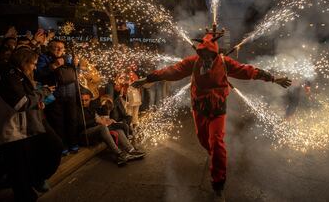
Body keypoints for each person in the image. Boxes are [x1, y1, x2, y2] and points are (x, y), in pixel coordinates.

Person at [132, 32, 291, 200]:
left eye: (210, 55)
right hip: (199, 108)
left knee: (216, 143)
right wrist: (147, 78)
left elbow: (247, 71)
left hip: (217, 109)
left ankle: (218, 184)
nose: (207, 58)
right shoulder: (193, 62)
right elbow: (172, 71)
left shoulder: (224, 62)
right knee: (203, 140)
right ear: (199, 53)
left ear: (215, 54)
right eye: (203, 54)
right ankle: (215, 157)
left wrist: (272, 79)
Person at [0, 48, 63, 202]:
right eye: (33, 64)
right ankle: (26, 193)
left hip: (26, 124)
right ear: (24, 62)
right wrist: (43, 93)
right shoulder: (10, 76)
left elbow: (27, 98)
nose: (35, 67)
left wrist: (37, 100)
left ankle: (35, 181)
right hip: (11, 129)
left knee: (52, 147)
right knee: (18, 167)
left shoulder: (19, 73)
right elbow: (21, 103)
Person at [35, 40, 80, 156]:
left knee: (72, 120)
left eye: (61, 47)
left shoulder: (68, 57)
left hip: (70, 94)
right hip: (55, 95)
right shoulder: (44, 58)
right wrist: (53, 66)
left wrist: (77, 65)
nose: (59, 50)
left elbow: (76, 73)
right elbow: (38, 73)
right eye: (56, 47)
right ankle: (62, 146)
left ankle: (73, 144)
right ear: (50, 48)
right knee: (57, 122)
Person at [79, 92, 145, 166]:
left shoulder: (90, 107)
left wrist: (106, 121)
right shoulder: (78, 109)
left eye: (86, 100)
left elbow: (98, 118)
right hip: (85, 134)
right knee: (103, 127)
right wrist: (97, 121)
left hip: (95, 128)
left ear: (89, 100)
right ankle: (119, 154)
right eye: (82, 100)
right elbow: (80, 124)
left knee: (117, 128)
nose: (83, 102)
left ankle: (130, 150)